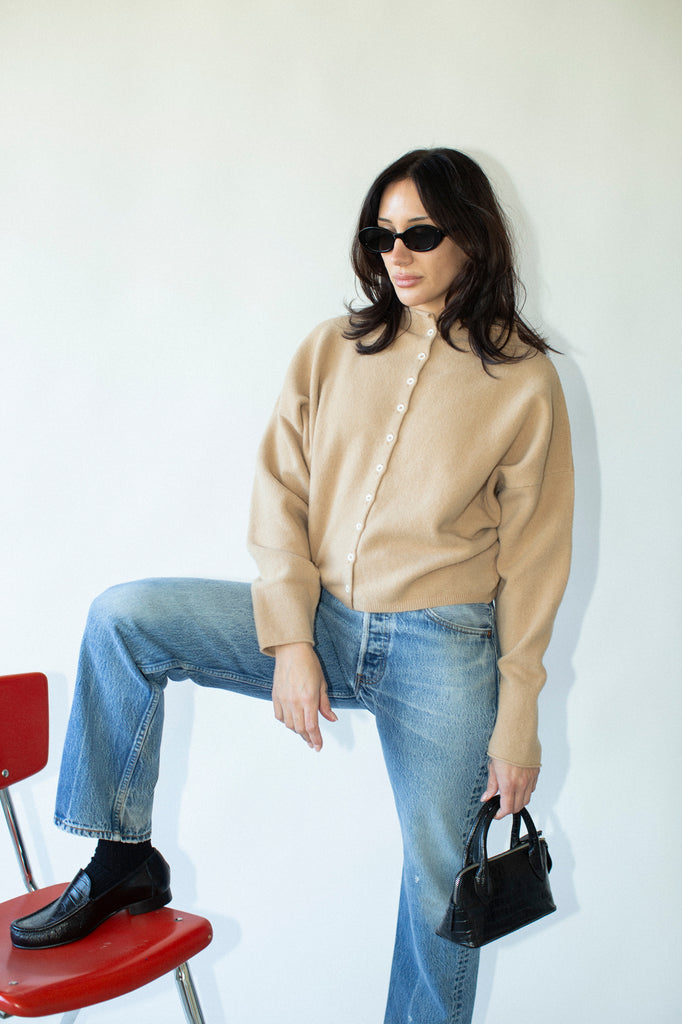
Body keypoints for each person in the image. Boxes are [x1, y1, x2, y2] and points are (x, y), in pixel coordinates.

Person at [10, 148, 573, 1024]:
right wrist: (292, 639)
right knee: (125, 619)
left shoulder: (525, 380)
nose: (399, 253)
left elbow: (536, 559)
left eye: (421, 232)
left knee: (440, 888)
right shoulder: (333, 349)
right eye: (381, 235)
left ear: (473, 237)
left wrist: (518, 716)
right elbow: (281, 494)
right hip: (325, 621)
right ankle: (122, 857)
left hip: (444, 648)